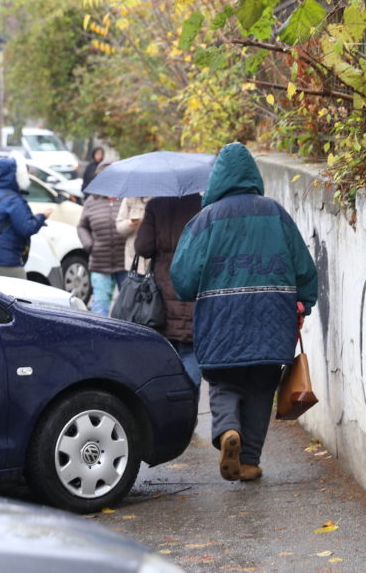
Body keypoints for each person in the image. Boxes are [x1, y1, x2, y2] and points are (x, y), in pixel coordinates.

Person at [170, 142, 318, 483]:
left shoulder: (204, 220)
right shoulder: (275, 213)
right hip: (272, 321)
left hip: (220, 323)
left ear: (217, 180)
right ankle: (249, 461)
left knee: (223, 381)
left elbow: (183, 281)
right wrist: (304, 303)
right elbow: (304, 270)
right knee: (261, 388)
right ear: (253, 175)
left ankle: (227, 432)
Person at [134, 193, 202, 386]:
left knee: (166, 354)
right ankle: (189, 409)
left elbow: (142, 247)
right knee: (190, 352)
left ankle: (170, 410)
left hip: (162, 294)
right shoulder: (202, 205)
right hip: (193, 286)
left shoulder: (156, 205)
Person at [0, 156, 53, 279]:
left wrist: (32, 217)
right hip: (6, 261)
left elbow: (9, 221)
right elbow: (26, 229)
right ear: (15, 175)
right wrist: (42, 216)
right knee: (20, 295)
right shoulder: (13, 200)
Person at [77, 166, 128, 316]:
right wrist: (89, 244)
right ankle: (100, 338)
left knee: (127, 307)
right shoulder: (92, 201)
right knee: (100, 307)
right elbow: (82, 226)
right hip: (99, 262)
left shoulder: (127, 198)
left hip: (125, 263)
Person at [115, 196, 150, 273]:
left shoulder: (160, 199)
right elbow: (119, 226)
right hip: (134, 258)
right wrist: (130, 224)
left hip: (154, 259)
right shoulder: (129, 199)